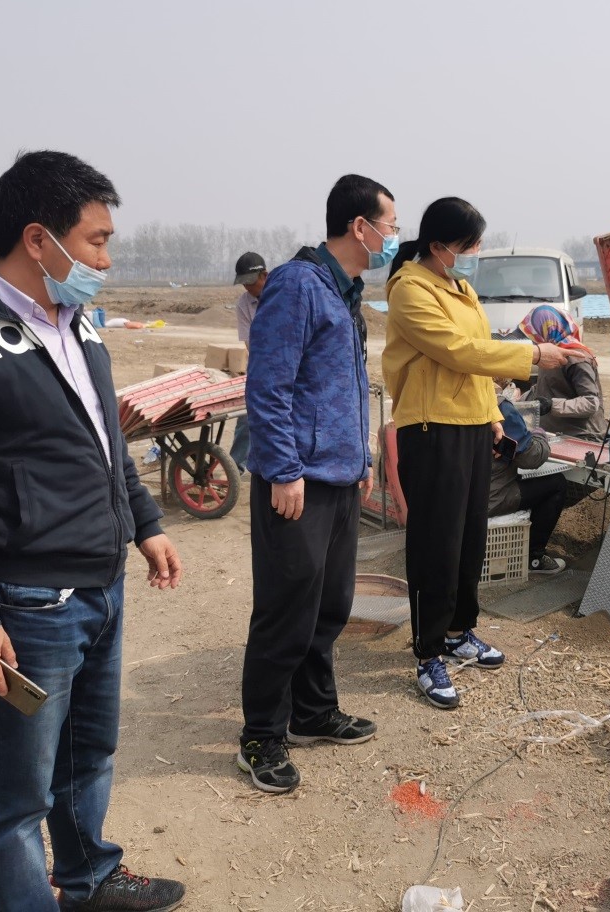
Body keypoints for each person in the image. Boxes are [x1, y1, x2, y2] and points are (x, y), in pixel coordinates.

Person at [0, 150, 186, 912]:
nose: (106, 261)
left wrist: (144, 523)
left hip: (101, 585)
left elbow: (104, 439)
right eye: (95, 241)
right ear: (38, 239)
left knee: (88, 755)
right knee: (17, 795)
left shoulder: (76, 325)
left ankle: (88, 877)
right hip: (30, 606)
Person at [382, 197, 568, 710]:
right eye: (470, 245)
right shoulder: (410, 290)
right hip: (431, 427)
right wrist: (533, 354)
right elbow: (459, 352)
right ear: (440, 245)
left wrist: (491, 416)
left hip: (468, 426)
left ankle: (459, 630)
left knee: (469, 536)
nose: (475, 254)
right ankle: (427, 653)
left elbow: (478, 365)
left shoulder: (459, 288)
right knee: (435, 543)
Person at [238, 174, 390, 794]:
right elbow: (268, 385)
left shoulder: (344, 292)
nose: (392, 238)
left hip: (339, 477)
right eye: (390, 226)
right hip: (297, 480)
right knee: (286, 609)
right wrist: (283, 469)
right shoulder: (298, 285)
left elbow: (343, 386)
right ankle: (260, 736)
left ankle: (313, 711)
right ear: (360, 227)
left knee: (330, 604)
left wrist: (362, 457)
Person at [488, 390, 569, 575]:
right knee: (557, 484)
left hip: (450, 494)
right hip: (487, 499)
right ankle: (534, 557)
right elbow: (532, 458)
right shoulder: (499, 406)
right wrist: (539, 434)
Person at [518, 304, 606, 440]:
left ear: (547, 330)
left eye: (534, 335)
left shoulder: (577, 358)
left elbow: (590, 403)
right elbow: (547, 387)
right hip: (554, 432)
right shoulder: (549, 354)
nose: (533, 341)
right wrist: (518, 401)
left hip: (581, 436)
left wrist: (552, 405)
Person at [229, 250, 267, 474]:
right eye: (244, 284)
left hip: (292, 364)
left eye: (251, 283)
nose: (248, 288)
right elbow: (249, 342)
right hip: (261, 364)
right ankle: (236, 466)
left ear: (265, 275)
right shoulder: (244, 304)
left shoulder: (283, 295)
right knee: (246, 416)